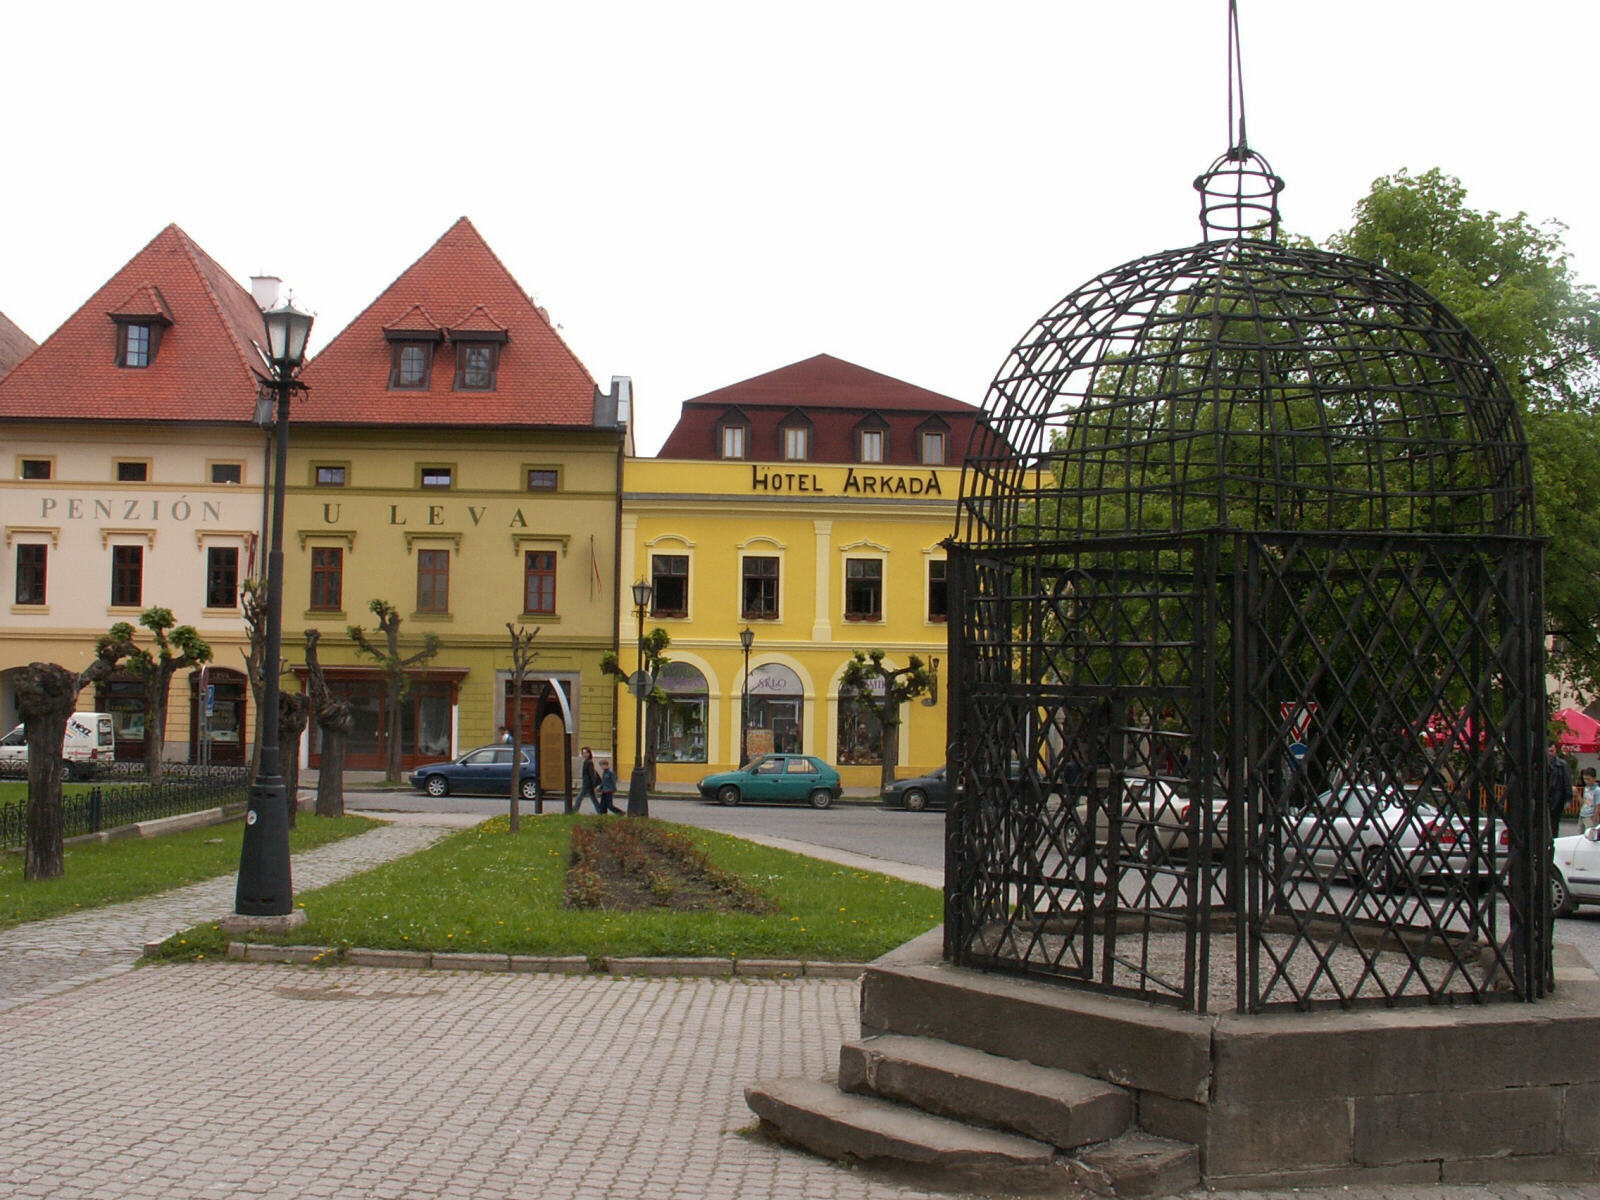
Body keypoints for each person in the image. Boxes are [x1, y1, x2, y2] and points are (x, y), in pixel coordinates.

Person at [1548, 742, 1574, 837]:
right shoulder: (1539, 763)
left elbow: (1567, 783)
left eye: (1552, 751)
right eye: (1548, 751)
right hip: (1543, 799)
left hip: (1556, 799)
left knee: (1554, 824)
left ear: (1555, 752)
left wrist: (1568, 799)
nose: (1550, 754)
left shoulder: (1562, 765)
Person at [578, 746, 602, 814]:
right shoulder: (587, 761)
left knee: (579, 798)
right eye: (583, 753)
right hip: (588, 784)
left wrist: (594, 785)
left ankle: (574, 810)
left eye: (586, 753)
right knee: (594, 799)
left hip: (588, 784)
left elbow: (592, 775)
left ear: (589, 753)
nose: (584, 754)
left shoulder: (589, 762)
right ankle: (600, 811)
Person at [1581, 767, 1599, 834]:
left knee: (1589, 834)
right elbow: (1584, 803)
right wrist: (1577, 794)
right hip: (1583, 814)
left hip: (1590, 816)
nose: (1586, 781)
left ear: (1594, 778)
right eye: (1584, 779)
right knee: (1580, 834)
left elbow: (1598, 806)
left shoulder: (1597, 790)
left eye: (1588, 779)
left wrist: (1594, 819)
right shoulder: (1586, 788)